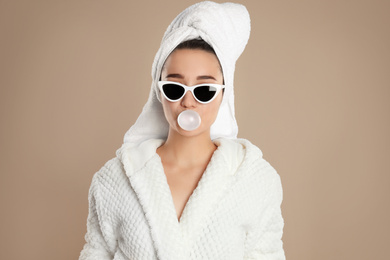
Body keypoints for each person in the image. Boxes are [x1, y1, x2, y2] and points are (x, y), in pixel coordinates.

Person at [79, 1, 285, 260]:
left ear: (224, 95)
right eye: (175, 88)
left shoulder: (255, 180)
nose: (188, 102)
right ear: (159, 91)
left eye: (204, 90)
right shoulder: (113, 180)